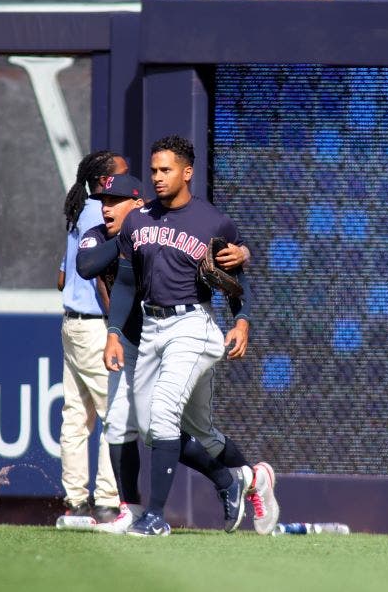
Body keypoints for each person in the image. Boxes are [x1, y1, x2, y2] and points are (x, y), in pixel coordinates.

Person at [77, 173, 277, 536]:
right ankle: (137, 511)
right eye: (103, 201)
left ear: (136, 202)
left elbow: (229, 264)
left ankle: (245, 479)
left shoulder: (161, 225)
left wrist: (243, 268)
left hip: (184, 333)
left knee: (194, 430)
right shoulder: (109, 232)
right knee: (130, 425)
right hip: (136, 342)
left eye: (115, 201)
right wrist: (131, 235)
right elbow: (86, 266)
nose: (106, 208)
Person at [57, 149, 126, 525]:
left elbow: (62, 278)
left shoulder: (77, 211)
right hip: (96, 326)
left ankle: (76, 499)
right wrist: (117, 318)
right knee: (113, 413)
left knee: (75, 416)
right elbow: (99, 275)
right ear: (104, 182)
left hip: (70, 323)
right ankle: (107, 500)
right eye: (122, 176)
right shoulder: (101, 213)